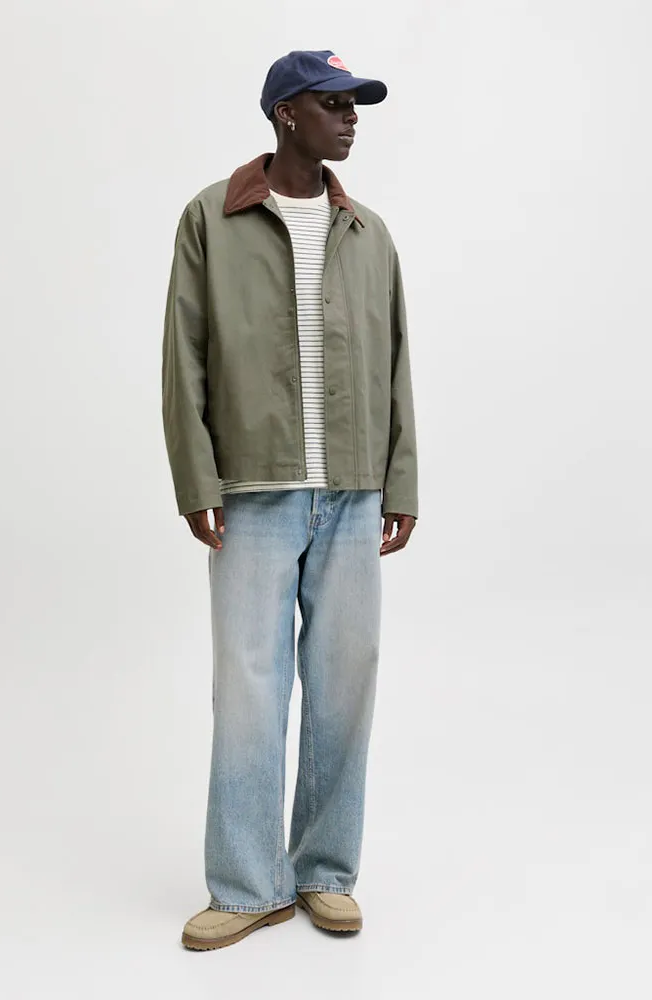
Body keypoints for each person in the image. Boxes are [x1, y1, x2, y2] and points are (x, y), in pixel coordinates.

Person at [161, 49, 419, 951]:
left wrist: (400, 479)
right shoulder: (213, 217)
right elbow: (183, 355)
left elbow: (397, 362)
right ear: (285, 115)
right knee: (249, 690)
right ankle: (246, 885)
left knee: (346, 682)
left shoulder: (368, 233)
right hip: (252, 491)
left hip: (352, 494)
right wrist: (197, 479)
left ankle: (323, 872)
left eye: (356, 104)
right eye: (333, 103)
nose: (350, 118)